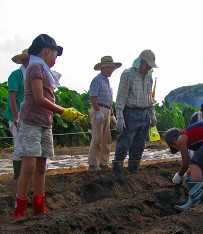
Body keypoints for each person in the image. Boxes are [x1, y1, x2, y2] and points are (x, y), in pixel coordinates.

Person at [13, 34, 86, 221]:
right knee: (29, 167)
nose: (56, 59)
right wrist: (64, 112)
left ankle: (39, 208)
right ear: (46, 52)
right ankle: (19, 211)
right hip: (31, 121)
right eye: (55, 54)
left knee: (41, 168)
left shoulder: (44, 70)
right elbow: (38, 98)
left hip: (45, 122)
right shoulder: (35, 67)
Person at [112, 50, 157, 177]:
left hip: (144, 114)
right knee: (124, 143)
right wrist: (120, 117)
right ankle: (117, 171)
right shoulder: (128, 75)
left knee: (139, 146)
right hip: (130, 113)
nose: (148, 67)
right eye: (147, 64)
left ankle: (133, 172)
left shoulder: (149, 77)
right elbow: (121, 97)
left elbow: (150, 99)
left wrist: (152, 114)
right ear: (141, 62)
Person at [87, 56, 121, 171]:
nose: (112, 71)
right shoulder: (96, 80)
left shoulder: (106, 81)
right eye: (110, 68)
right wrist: (97, 111)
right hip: (99, 109)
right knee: (97, 137)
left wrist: (111, 115)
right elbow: (93, 96)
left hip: (106, 110)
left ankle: (103, 162)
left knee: (106, 138)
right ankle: (93, 163)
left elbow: (109, 100)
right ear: (104, 68)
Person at [2, 49, 30, 179]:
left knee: (28, 146)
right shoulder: (16, 75)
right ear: (24, 61)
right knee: (19, 145)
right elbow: (12, 96)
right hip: (18, 115)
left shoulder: (33, 75)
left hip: (29, 116)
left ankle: (25, 175)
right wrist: (15, 115)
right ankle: (17, 177)